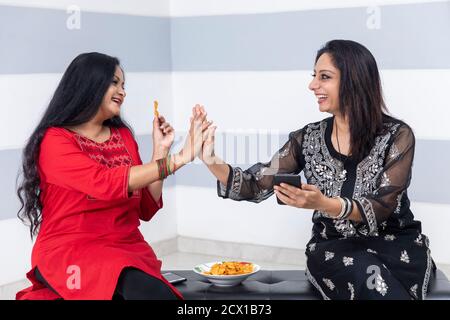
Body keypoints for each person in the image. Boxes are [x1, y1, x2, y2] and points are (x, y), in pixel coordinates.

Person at [199, 40, 436, 300]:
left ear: (354, 81)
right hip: (336, 249)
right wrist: (210, 158)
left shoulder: (396, 136)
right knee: (370, 279)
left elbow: (382, 206)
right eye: (314, 76)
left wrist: (324, 203)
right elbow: (255, 185)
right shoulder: (307, 138)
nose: (313, 85)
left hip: (395, 245)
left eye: (324, 77)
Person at [15, 52, 210, 300]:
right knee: (147, 292)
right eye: (114, 82)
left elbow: (145, 208)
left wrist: (161, 151)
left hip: (126, 247)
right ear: (89, 84)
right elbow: (105, 183)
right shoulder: (55, 140)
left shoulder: (123, 136)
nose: (122, 91)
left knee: (147, 290)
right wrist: (180, 158)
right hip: (72, 250)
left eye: (123, 85)